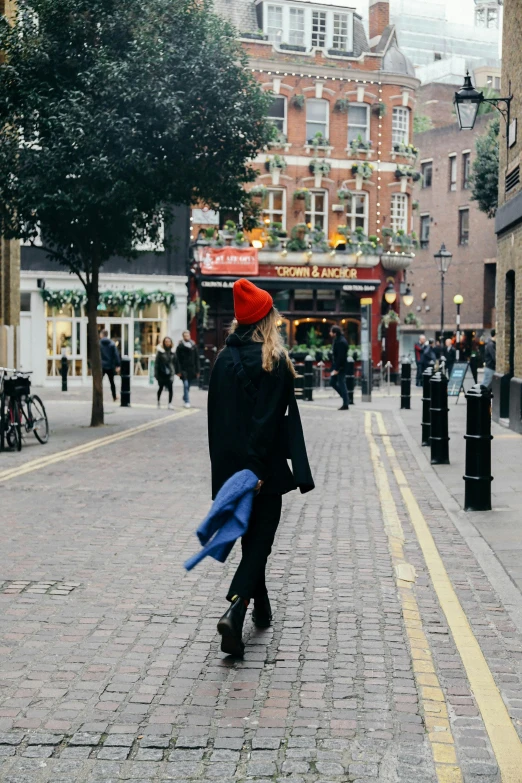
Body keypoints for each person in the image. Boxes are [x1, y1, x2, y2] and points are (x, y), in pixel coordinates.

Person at [208, 278, 314, 657]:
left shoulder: (221, 361)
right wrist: (256, 470)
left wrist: (225, 477)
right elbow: (267, 423)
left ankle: (262, 607)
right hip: (262, 473)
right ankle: (237, 607)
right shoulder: (275, 362)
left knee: (251, 541)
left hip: (230, 472)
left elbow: (215, 422)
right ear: (268, 318)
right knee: (260, 543)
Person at [175, 331, 200, 409]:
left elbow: (197, 359)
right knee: (185, 385)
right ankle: (187, 401)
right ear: (183, 336)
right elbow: (177, 360)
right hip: (183, 369)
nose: (186, 336)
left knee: (188, 386)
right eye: (185, 335)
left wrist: (198, 371)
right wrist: (178, 371)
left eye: (187, 335)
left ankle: (184, 397)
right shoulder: (179, 347)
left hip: (192, 369)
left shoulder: (193, 346)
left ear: (189, 335)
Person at [155, 336, 177, 409]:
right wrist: (156, 374)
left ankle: (170, 403)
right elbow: (156, 363)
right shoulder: (160, 351)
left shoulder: (173, 351)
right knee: (160, 388)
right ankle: (158, 402)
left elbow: (176, 362)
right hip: (162, 373)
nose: (167, 343)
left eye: (169, 341)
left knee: (170, 388)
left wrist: (177, 371)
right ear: (164, 342)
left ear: (171, 343)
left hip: (170, 373)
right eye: (166, 341)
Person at [330, 325, 349, 410]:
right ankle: (346, 399)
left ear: (335, 333)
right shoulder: (337, 340)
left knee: (341, 384)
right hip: (337, 366)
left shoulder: (341, 342)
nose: (330, 333)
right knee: (332, 382)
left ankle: (346, 402)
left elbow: (341, 357)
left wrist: (337, 369)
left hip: (340, 367)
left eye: (331, 332)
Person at [99, 330, 121, 402]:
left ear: (102, 335)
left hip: (101, 365)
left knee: (99, 382)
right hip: (110, 365)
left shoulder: (99, 344)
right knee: (112, 382)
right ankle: (114, 396)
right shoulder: (112, 344)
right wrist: (117, 365)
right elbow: (116, 355)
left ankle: (98, 396)